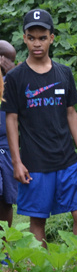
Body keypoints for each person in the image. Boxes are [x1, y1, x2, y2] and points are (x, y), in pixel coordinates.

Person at [1, 9, 77, 246]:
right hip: (35, 162)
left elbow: (71, 112)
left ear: (52, 38)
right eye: (31, 37)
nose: (37, 43)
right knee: (38, 220)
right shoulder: (15, 77)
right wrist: (17, 161)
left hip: (66, 159)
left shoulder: (64, 73)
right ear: (24, 38)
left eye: (42, 37)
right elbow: (11, 119)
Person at [0, 41, 18, 230]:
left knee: (6, 198)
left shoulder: (11, 80)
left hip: (6, 145)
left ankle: (3, 250)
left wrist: (11, 73)